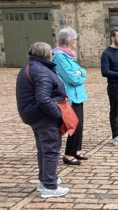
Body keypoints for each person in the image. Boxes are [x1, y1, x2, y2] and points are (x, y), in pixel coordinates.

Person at [16, 42, 70, 198]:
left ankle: (44, 180)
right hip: (43, 116)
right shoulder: (41, 71)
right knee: (51, 150)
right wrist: (59, 115)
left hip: (33, 115)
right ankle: (50, 186)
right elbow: (43, 99)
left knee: (43, 150)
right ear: (47, 54)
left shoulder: (31, 67)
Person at [52, 27, 88, 165]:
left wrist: (80, 74)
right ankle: (68, 154)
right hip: (70, 95)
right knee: (74, 124)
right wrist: (79, 75)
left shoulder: (69, 55)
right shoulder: (60, 56)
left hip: (78, 95)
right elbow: (72, 78)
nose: (76, 42)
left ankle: (76, 150)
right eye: (75, 39)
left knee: (80, 124)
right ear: (68, 41)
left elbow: (82, 71)